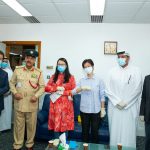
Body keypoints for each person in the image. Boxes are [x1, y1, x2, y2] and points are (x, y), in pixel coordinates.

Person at [105, 51, 143, 148]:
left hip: (130, 108)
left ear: (128, 58)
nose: (120, 59)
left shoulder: (136, 70)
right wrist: (117, 102)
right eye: (119, 57)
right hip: (115, 107)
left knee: (129, 132)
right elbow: (107, 89)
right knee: (115, 131)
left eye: (123, 56)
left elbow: (138, 89)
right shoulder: (111, 71)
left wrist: (126, 103)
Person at [10, 49, 45, 150]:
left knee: (31, 126)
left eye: (32, 58)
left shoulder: (39, 72)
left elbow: (42, 87)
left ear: (35, 60)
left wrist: (36, 96)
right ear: (25, 59)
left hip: (31, 103)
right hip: (19, 103)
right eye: (28, 58)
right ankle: (17, 144)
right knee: (18, 126)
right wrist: (15, 93)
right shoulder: (18, 70)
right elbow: (12, 83)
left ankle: (29, 144)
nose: (29, 60)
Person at [72, 59, 106, 143]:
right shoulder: (81, 80)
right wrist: (81, 88)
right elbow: (73, 92)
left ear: (93, 67)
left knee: (95, 132)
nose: (87, 68)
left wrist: (102, 109)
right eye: (85, 67)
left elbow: (102, 95)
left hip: (96, 110)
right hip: (84, 111)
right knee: (85, 132)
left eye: (88, 66)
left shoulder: (99, 80)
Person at [45, 58, 76, 138]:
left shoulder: (71, 77)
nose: (60, 66)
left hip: (66, 105)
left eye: (62, 64)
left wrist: (63, 92)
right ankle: (56, 144)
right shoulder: (53, 77)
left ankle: (64, 145)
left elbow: (74, 91)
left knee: (65, 125)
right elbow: (47, 88)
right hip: (55, 105)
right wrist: (56, 88)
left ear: (66, 66)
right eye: (59, 64)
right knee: (56, 124)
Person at [0, 56, 13, 131]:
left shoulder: (9, 72)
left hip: (7, 95)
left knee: (6, 111)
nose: (3, 63)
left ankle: (6, 126)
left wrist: (7, 92)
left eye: (4, 61)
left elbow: (11, 84)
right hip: (1, 96)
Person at [140, 75, 150, 150]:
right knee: (148, 139)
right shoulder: (147, 78)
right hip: (148, 115)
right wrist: (142, 113)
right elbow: (143, 97)